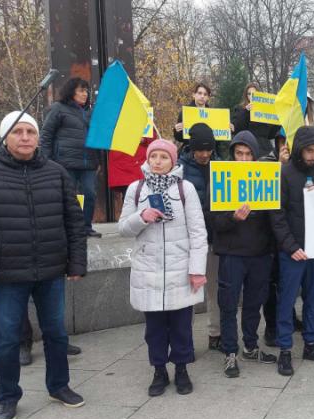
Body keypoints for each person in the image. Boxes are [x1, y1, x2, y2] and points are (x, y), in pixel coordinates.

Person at [0, 111, 87, 419]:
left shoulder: (56, 173)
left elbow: (74, 222)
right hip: (5, 275)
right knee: (7, 340)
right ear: (5, 137)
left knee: (56, 333)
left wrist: (76, 262)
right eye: (17, 132)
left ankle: (59, 386)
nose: (25, 137)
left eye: (30, 131)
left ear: (38, 138)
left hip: (51, 271)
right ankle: (7, 397)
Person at [118, 139, 207, 396]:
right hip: (149, 271)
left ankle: (181, 368)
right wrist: (141, 217)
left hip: (180, 269)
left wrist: (197, 268)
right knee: (154, 328)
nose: (157, 161)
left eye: (163, 157)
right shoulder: (136, 189)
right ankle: (159, 370)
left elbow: (198, 232)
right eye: (153, 156)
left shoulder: (185, 189)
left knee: (181, 326)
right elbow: (123, 228)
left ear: (173, 160)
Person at [209, 131, 278, 377]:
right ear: (233, 154)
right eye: (239, 153)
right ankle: (230, 351)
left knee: (253, 303)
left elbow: (276, 218)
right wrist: (232, 218)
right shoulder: (220, 179)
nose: (244, 159)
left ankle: (250, 345)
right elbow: (213, 222)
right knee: (228, 304)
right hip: (232, 254)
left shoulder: (267, 179)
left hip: (260, 254)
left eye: (248, 154)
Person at [270, 126, 314, 376]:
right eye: (309, 150)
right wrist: (291, 247)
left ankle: (311, 344)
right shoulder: (284, 175)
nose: (313, 155)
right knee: (287, 300)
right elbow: (277, 216)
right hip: (292, 252)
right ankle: (285, 350)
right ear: (299, 149)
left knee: (313, 298)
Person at [179, 123, 222, 351]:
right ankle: (185, 342)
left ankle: (215, 334)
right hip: (189, 240)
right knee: (188, 294)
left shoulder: (221, 166)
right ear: (191, 148)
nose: (205, 154)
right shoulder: (179, 169)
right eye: (200, 150)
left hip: (214, 238)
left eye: (208, 150)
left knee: (214, 290)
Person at [40, 77, 101, 237]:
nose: (85, 94)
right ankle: (67, 228)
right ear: (71, 92)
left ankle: (86, 227)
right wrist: (46, 160)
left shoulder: (89, 113)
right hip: (65, 162)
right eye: (81, 90)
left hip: (88, 163)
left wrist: (98, 160)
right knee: (67, 197)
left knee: (89, 194)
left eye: (86, 90)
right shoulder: (58, 109)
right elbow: (46, 134)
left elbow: (96, 137)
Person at [231, 82, 281, 156]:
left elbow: (272, 133)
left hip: (263, 150)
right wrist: (246, 112)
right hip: (246, 149)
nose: (251, 96)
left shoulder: (265, 111)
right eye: (249, 94)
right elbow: (236, 129)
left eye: (254, 93)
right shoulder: (240, 109)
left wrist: (277, 119)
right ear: (246, 95)